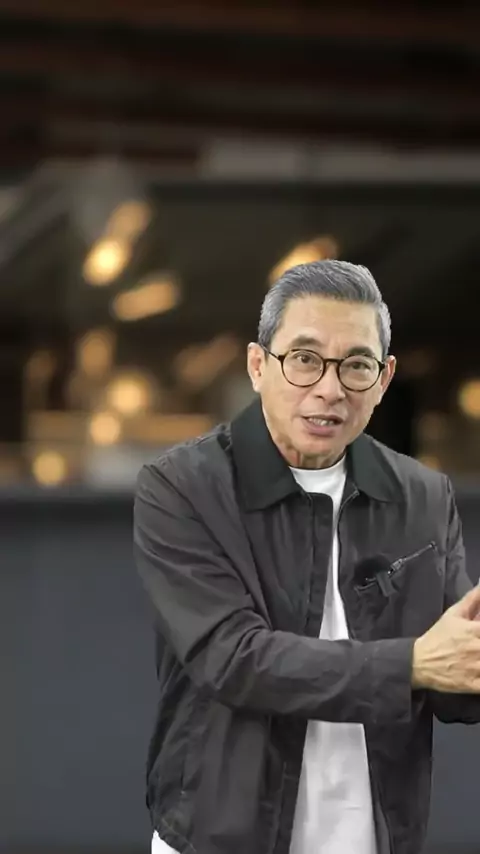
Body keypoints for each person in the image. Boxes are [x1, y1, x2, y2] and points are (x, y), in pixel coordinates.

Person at [133, 260, 480, 854]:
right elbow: (233, 659)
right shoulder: (182, 487)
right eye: (304, 358)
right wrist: (411, 665)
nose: (330, 388)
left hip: (374, 837)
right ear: (257, 365)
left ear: (384, 379)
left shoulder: (422, 496)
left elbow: (451, 677)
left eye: (357, 365)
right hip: (220, 838)